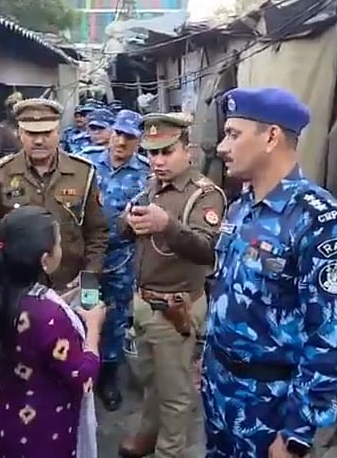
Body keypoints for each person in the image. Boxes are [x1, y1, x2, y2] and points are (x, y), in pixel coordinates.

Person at [203, 87, 337, 458]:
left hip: (271, 406)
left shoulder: (321, 223)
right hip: (221, 391)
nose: (221, 147)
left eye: (234, 134)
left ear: (272, 137)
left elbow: (328, 340)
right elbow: (226, 292)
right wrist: (210, 362)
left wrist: (296, 433)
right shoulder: (241, 209)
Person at [118, 113, 227, 458]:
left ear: (188, 151)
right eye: (152, 153)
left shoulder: (205, 196)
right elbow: (125, 237)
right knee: (150, 381)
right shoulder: (150, 187)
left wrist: (167, 224)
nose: (158, 161)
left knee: (176, 392)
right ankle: (149, 434)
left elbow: (205, 250)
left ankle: (170, 450)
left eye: (167, 151)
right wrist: (127, 222)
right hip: (143, 302)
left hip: (174, 309)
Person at [0, 205, 106, 458]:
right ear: (45, 260)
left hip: (8, 413)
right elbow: (84, 378)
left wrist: (63, 300)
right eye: (58, 243)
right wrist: (93, 327)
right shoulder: (49, 316)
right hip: (47, 428)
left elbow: (26, 315)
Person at [0, 97, 109, 293]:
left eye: (46, 133)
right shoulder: (1, 174)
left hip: (70, 285)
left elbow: (97, 233)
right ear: (20, 134)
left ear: (58, 133)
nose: (39, 140)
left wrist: (89, 277)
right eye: (31, 133)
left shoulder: (83, 173)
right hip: (19, 288)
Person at [77, 110, 150, 411]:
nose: (121, 141)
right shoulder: (86, 162)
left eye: (129, 136)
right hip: (88, 259)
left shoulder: (146, 173)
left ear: (138, 141)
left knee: (116, 319)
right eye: (118, 133)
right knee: (86, 307)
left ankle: (107, 376)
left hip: (121, 260)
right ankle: (79, 369)